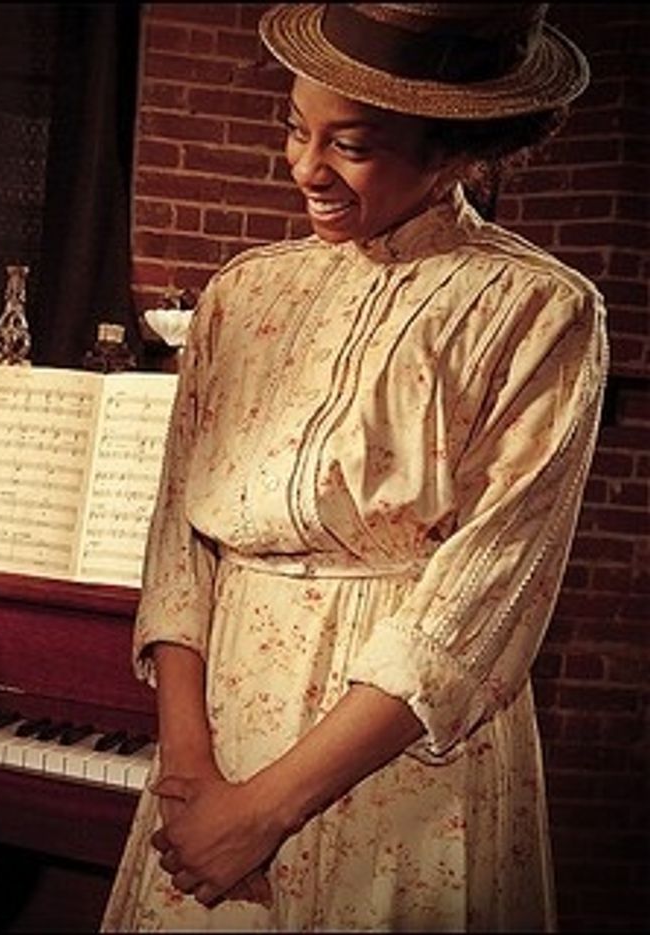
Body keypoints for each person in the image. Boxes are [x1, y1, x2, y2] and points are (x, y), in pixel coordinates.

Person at [103, 4, 606, 931]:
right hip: (220, 740)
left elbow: (482, 599)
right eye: (296, 129)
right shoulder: (242, 294)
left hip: (397, 763)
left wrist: (265, 811)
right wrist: (191, 775)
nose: (306, 167)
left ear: (453, 148)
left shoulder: (536, 310)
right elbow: (179, 543)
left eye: (351, 145)